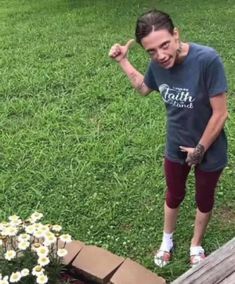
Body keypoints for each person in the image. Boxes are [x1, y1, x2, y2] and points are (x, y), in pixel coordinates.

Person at [108, 9, 228, 267]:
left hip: (210, 146)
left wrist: (199, 150)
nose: (160, 55)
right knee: (174, 194)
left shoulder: (207, 60)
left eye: (165, 45)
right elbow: (143, 88)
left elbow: (220, 114)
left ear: (176, 34)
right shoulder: (157, 65)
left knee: (204, 198)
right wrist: (123, 61)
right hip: (175, 145)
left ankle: (196, 244)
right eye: (151, 51)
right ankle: (167, 240)